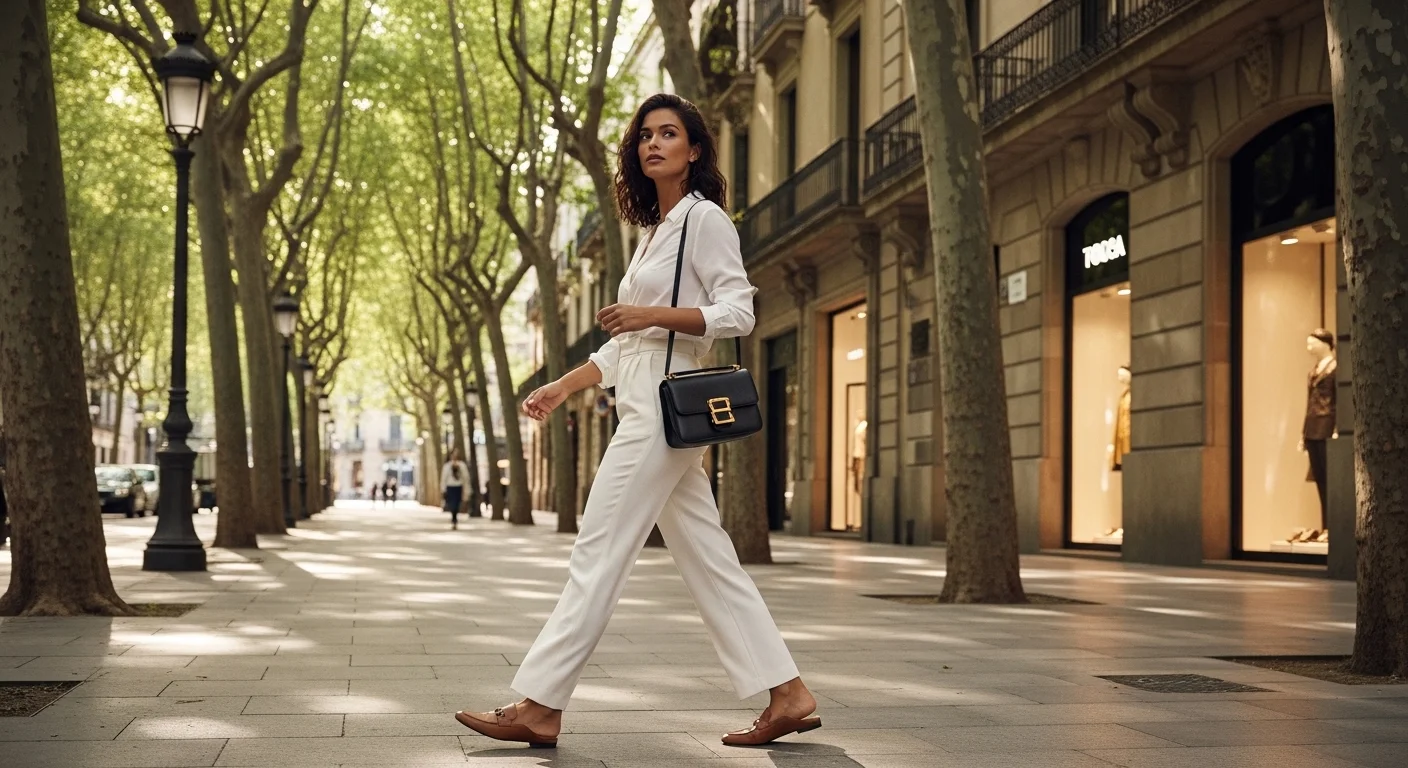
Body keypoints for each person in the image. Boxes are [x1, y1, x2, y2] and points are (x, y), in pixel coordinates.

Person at [455, 93, 817, 749]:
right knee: (709, 560)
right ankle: (788, 693)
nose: (654, 143)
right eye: (645, 135)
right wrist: (563, 386)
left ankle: (539, 704)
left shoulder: (705, 220)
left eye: (669, 133)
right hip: (643, 394)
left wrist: (655, 317)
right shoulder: (654, 231)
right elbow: (623, 346)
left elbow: (740, 313)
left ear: (695, 149)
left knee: (599, 548)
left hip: (662, 405)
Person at [441, 450, 468, 528]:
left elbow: (465, 477)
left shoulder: (462, 465)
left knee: (457, 503)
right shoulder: (447, 466)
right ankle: (454, 519)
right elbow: (444, 478)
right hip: (450, 487)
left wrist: (466, 488)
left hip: (458, 487)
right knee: (452, 504)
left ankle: (455, 518)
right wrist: (443, 489)